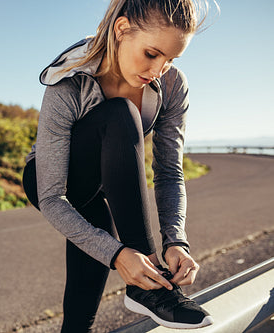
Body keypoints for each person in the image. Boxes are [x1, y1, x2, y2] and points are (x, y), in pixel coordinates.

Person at [22, 0, 218, 331]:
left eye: (170, 59)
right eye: (152, 54)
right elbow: (52, 197)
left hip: (102, 184)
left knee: (83, 304)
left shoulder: (172, 85)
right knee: (120, 113)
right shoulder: (69, 79)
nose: (158, 70)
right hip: (52, 179)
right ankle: (147, 285)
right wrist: (119, 255)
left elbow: (169, 172)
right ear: (122, 29)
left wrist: (176, 241)